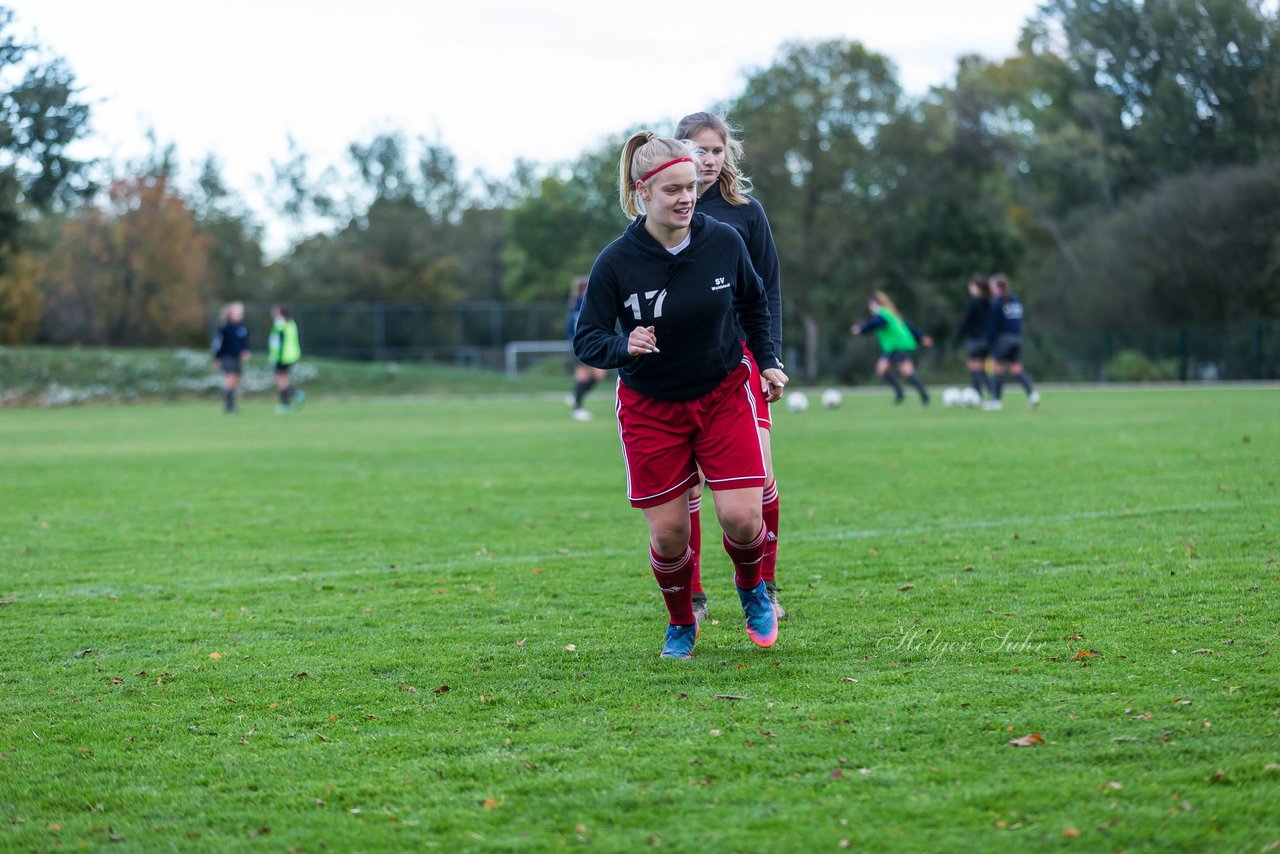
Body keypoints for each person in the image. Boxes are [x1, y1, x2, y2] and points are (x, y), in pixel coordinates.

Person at [573, 131, 788, 660]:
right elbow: (587, 338)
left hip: (722, 393)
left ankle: (751, 588)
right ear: (643, 192)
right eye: (673, 190)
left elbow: (755, 305)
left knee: (743, 518)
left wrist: (768, 362)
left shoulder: (723, 241)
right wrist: (625, 343)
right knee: (669, 535)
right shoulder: (617, 261)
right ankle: (680, 622)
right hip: (652, 408)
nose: (686, 198)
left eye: (691, 187)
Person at [675, 111, 786, 624]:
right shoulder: (664, 213)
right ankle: (694, 596)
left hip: (743, 360)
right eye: (699, 150)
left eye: (717, 150)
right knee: (690, 484)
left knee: (760, 476)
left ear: (728, 155)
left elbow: (767, 292)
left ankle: (765, 583)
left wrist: (770, 359)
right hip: (688, 367)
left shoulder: (747, 213)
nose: (709, 159)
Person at [850, 291, 932, 405]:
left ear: (875, 304)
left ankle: (925, 397)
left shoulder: (883, 315)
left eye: (871, 305)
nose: (871, 308)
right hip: (892, 347)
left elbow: (876, 323)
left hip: (900, 346)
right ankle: (900, 394)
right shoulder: (889, 314)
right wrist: (920, 337)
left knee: (907, 371)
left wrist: (861, 329)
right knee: (882, 369)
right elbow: (906, 325)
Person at [983, 274, 1040, 410]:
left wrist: (987, 341)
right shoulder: (1015, 300)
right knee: (1016, 369)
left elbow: (993, 325)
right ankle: (1032, 394)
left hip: (1003, 339)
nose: (990, 289)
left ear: (997, 287)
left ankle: (995, 401)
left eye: (992, 286)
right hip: (1017, 339)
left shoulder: (998, 303)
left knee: (997, 368)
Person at [566, 276, 607, 421]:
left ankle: (575, 398)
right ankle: (577, 408)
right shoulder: (577, 304)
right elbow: (576, 285)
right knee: (583, 375)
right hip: (580, 343)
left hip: (591, 343)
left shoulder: (591, 303)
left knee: (599, 375)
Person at [953, 275, 993, 402]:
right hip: (986, 341)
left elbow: (966, 322)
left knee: (974, 369)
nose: (970, 288)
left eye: (972, 286)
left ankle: (978, 396)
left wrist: (957, 340)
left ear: (978, 288)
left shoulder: (974, 303)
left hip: (974, 340)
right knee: (983, 370)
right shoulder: (990, 302)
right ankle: (993, 395)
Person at [211, 301, 249, 413]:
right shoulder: (224, 328)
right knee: (231, 379)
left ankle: (232, 404)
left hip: (237, 357)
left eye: (241, 312)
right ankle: (229, 406)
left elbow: (244, 343)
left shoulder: (242, 327)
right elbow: (217, 344)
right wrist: (216, 358)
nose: (240, 315)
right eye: (237, 312)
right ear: (230, 313)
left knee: (236, 381)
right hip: (227, 357)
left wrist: (245, 351)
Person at [268, 304, 304, 414]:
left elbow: (279, 343)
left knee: (281, 382)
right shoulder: (290, 324)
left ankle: (287, 403)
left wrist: (276, 358)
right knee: (283, 380)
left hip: (282, 357)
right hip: (288, 356)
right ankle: (294, 395)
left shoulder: (281, 323)